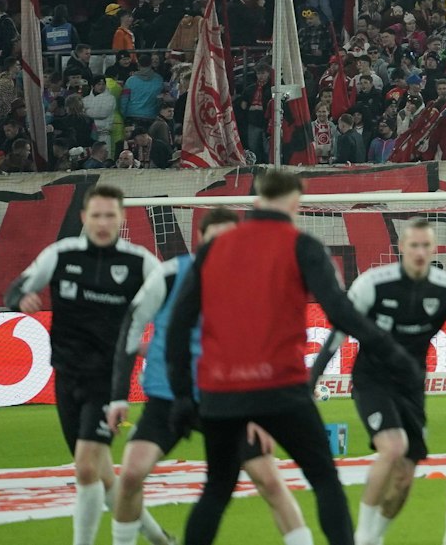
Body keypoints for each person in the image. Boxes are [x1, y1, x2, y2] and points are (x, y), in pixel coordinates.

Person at [162, 167, 413, 545]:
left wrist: (183, 394)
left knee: (216, 489)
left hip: (222, 390)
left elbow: (179, 325)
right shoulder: (302, 246)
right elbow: (339, 311)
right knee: (324, 480)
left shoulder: (214, 249)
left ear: (257, 199)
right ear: (296, 202)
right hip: (280, 387)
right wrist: (391, 350)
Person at [108, 206, 302, 545]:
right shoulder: (170, 274)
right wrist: (118, 396)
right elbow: (131, 325)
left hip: (228, 401)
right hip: (170, 397)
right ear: (199, 240)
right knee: (131, 476)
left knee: (270, 481)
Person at [310, 218, 446, 545]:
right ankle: (362, 537)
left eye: (425, 246)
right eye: (414, 245)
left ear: (434, 249)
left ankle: (374, 537)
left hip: (411, 387)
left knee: (405, 478)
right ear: (402, 247)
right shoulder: (373, 284)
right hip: (372, 379)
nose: (420, 252)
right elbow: (338, 333)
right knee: (393, 448)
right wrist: (312, 381)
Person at [4, 182, 163, 545]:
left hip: (107, 379)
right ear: (83, 217)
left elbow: (178, 300)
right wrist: (20, 300)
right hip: (66, 375)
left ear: (121, 218)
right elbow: (15, 288)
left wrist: (156, 343)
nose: (103, 223)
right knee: (100, 473)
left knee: (87, 467)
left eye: (110, 216)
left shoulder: (140, 262)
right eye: (96, 216)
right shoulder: (60, 254)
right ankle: (159, 539)